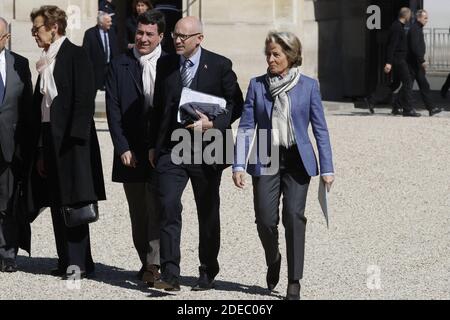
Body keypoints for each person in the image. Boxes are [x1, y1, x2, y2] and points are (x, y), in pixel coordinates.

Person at [233, 31, 335, 300]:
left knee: (293, 216)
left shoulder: (309, 86)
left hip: (298, 161)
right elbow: (245, 127)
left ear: (290, 55)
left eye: (276, 54)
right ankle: (273, 257)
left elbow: (320, 130)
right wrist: (238, 165)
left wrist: (327, 168)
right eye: (268, 53)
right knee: (265, 219)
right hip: (266, 156)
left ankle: (294, 281)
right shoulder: (257, 85)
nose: (270, 58)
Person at [149, 16, 244, 292]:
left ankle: (207, 270)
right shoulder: (165, 63)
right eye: (175, 35)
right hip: (172, 146)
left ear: (199, 38)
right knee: (167, 204)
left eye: (183, 37)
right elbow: (158, 107)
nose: (177, 40)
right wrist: (153, 144)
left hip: (209, 146)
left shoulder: (220, 65)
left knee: (207, 210)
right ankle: (170, 273)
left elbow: (235, 104)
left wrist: (213, 124)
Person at [27, 5, 106, 279]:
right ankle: (68, 261)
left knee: (75, 204)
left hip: (72, 143)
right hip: (50, 139)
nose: (34, 34)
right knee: (58, 202)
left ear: (53, 27)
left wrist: (72, 142)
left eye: (37, 28)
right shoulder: (46, 58)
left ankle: (78, 264)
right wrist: (40, 149)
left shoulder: (75, 55)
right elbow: (42, 107)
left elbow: (83, 100)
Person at [106, 10, 166, 286]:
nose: (143, 38)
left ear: (160, 36)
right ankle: (146, 260)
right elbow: (113, 108)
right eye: (140, 33)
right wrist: (121, 147)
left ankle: (155, 264)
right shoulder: (120, 64)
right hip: (130, 151)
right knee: (138, 212)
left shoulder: (173, 64)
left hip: (163, 150)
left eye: (149, 34)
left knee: (158, 207)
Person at [0, 17, 33, 273]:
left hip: (9, 146)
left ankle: (7, 253)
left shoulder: (20, 64)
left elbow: (28, 110)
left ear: (6, 38)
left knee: (8, 202)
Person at [366, 8, 420, 117]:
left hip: (399, 59)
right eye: (410, 16)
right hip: (398, 60)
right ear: (406, 16)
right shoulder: (397, 28)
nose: (411, 18)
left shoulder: (398, 26)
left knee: (395, 84)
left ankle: (373, 99)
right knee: (408, 82)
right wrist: (389, 62)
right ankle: (407, 109)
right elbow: (391, 46)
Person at [407, 10, 442, 117]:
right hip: (414, 63)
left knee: (422, 85)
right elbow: (414, 47)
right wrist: (422, 60)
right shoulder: (415, 29)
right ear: (419, 18)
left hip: (416, 63)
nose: (427, 20)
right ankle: (403, 107)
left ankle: (431, 108)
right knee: (408, 86)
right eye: (425, 18)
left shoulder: (417, 28)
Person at [82, 12, 119, 92]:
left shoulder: (112, 32)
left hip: (109, 68)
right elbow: (86, 53)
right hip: (96, 69)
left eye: (110, 21)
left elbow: (115, 49)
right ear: (101, 23)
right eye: (108, 22)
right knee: (92, 93)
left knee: (111, 92)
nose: (111, 23)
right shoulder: (90, 33)